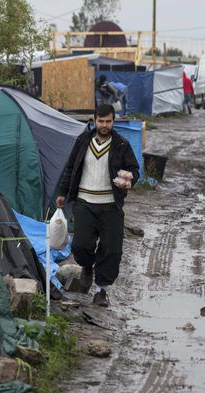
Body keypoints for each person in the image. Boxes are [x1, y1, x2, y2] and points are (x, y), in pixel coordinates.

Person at [56, 104, 140, 307]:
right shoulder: (83, 140)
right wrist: (63, 193)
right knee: (80, 245)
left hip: (110, 205)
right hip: (85, 202)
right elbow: (71, 168)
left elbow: (134, 170)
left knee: (111, 250)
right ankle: (86, 266)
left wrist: (129, 179)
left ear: (113, 121)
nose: (104, 125)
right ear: (94, 120)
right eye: (101, 121)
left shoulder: (121, 144)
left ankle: (102, 291)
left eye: (108, 121)